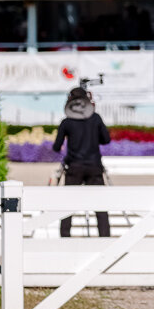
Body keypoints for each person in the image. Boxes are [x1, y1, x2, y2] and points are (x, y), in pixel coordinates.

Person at [52, 86, 112, 237]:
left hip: (74, 167)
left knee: (68, 206)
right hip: (94, 167)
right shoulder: (96, 118)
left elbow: (56, 147)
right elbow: (106, 140)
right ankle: (105, 238)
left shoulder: (66, 122)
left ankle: (65, 238)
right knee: (100, 207)